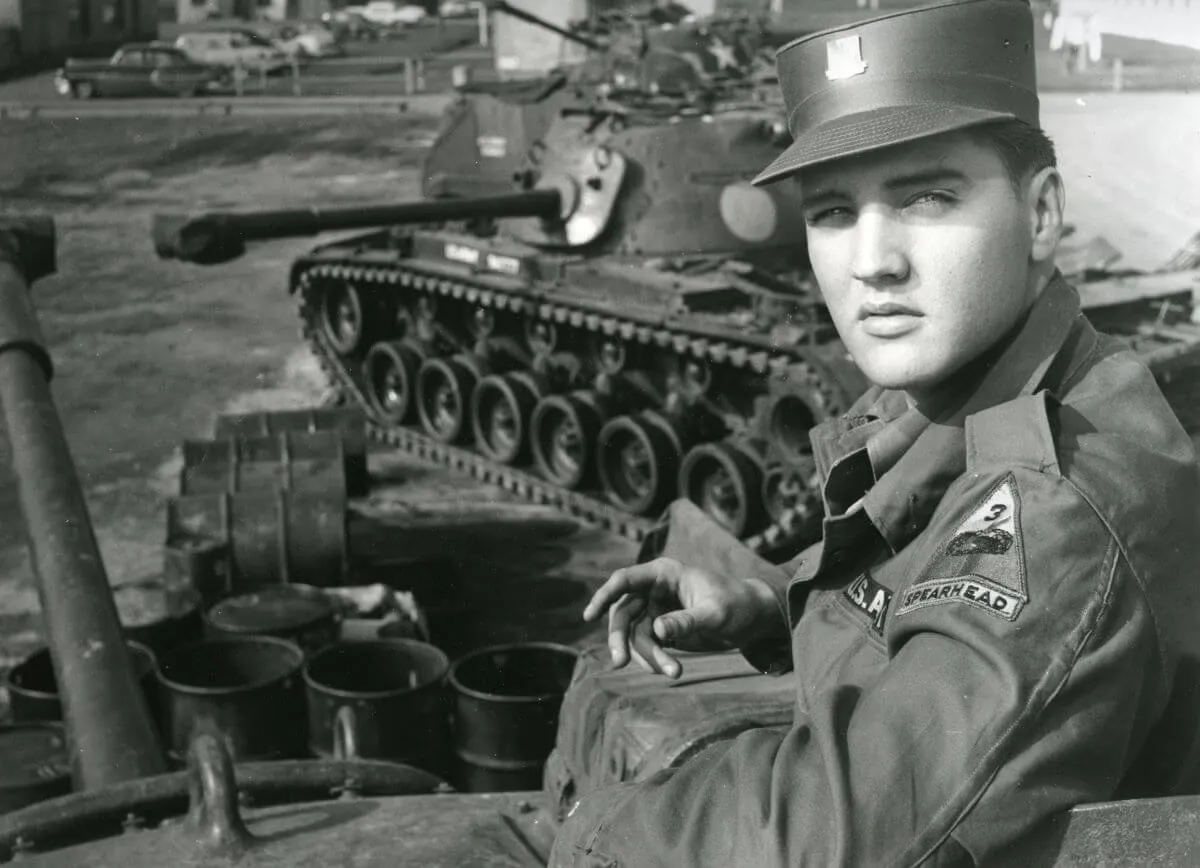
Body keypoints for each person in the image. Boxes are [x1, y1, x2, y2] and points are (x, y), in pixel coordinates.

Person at [548, 0, 1200, 865]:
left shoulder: (1059, 507)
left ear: (1041, 216)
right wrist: (771, 608)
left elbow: (822, 844)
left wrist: (578, 821)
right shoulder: (990, 390)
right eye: (831, 213)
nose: (872, 263)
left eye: (927, 197)